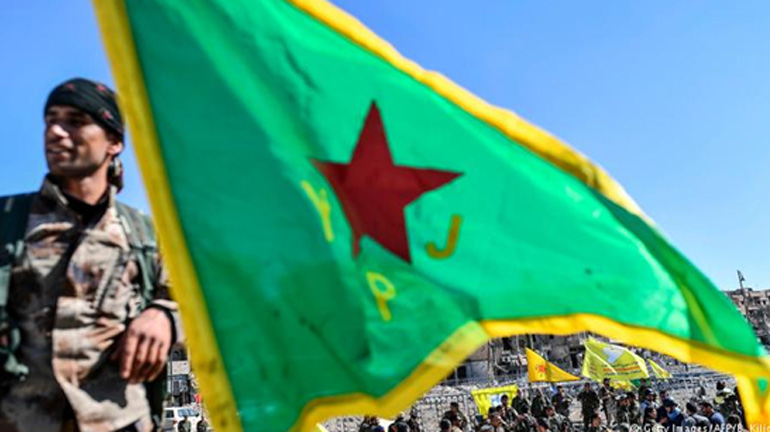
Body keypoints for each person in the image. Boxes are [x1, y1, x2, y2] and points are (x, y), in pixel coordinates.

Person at [0, 78, 183, 432]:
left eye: (75, 121)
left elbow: (197, 307)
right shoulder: (8, 221)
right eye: (51, 120)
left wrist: (164, 315)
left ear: (114, 142)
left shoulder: (145, 235)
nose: (56, 132)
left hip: (120, 421)